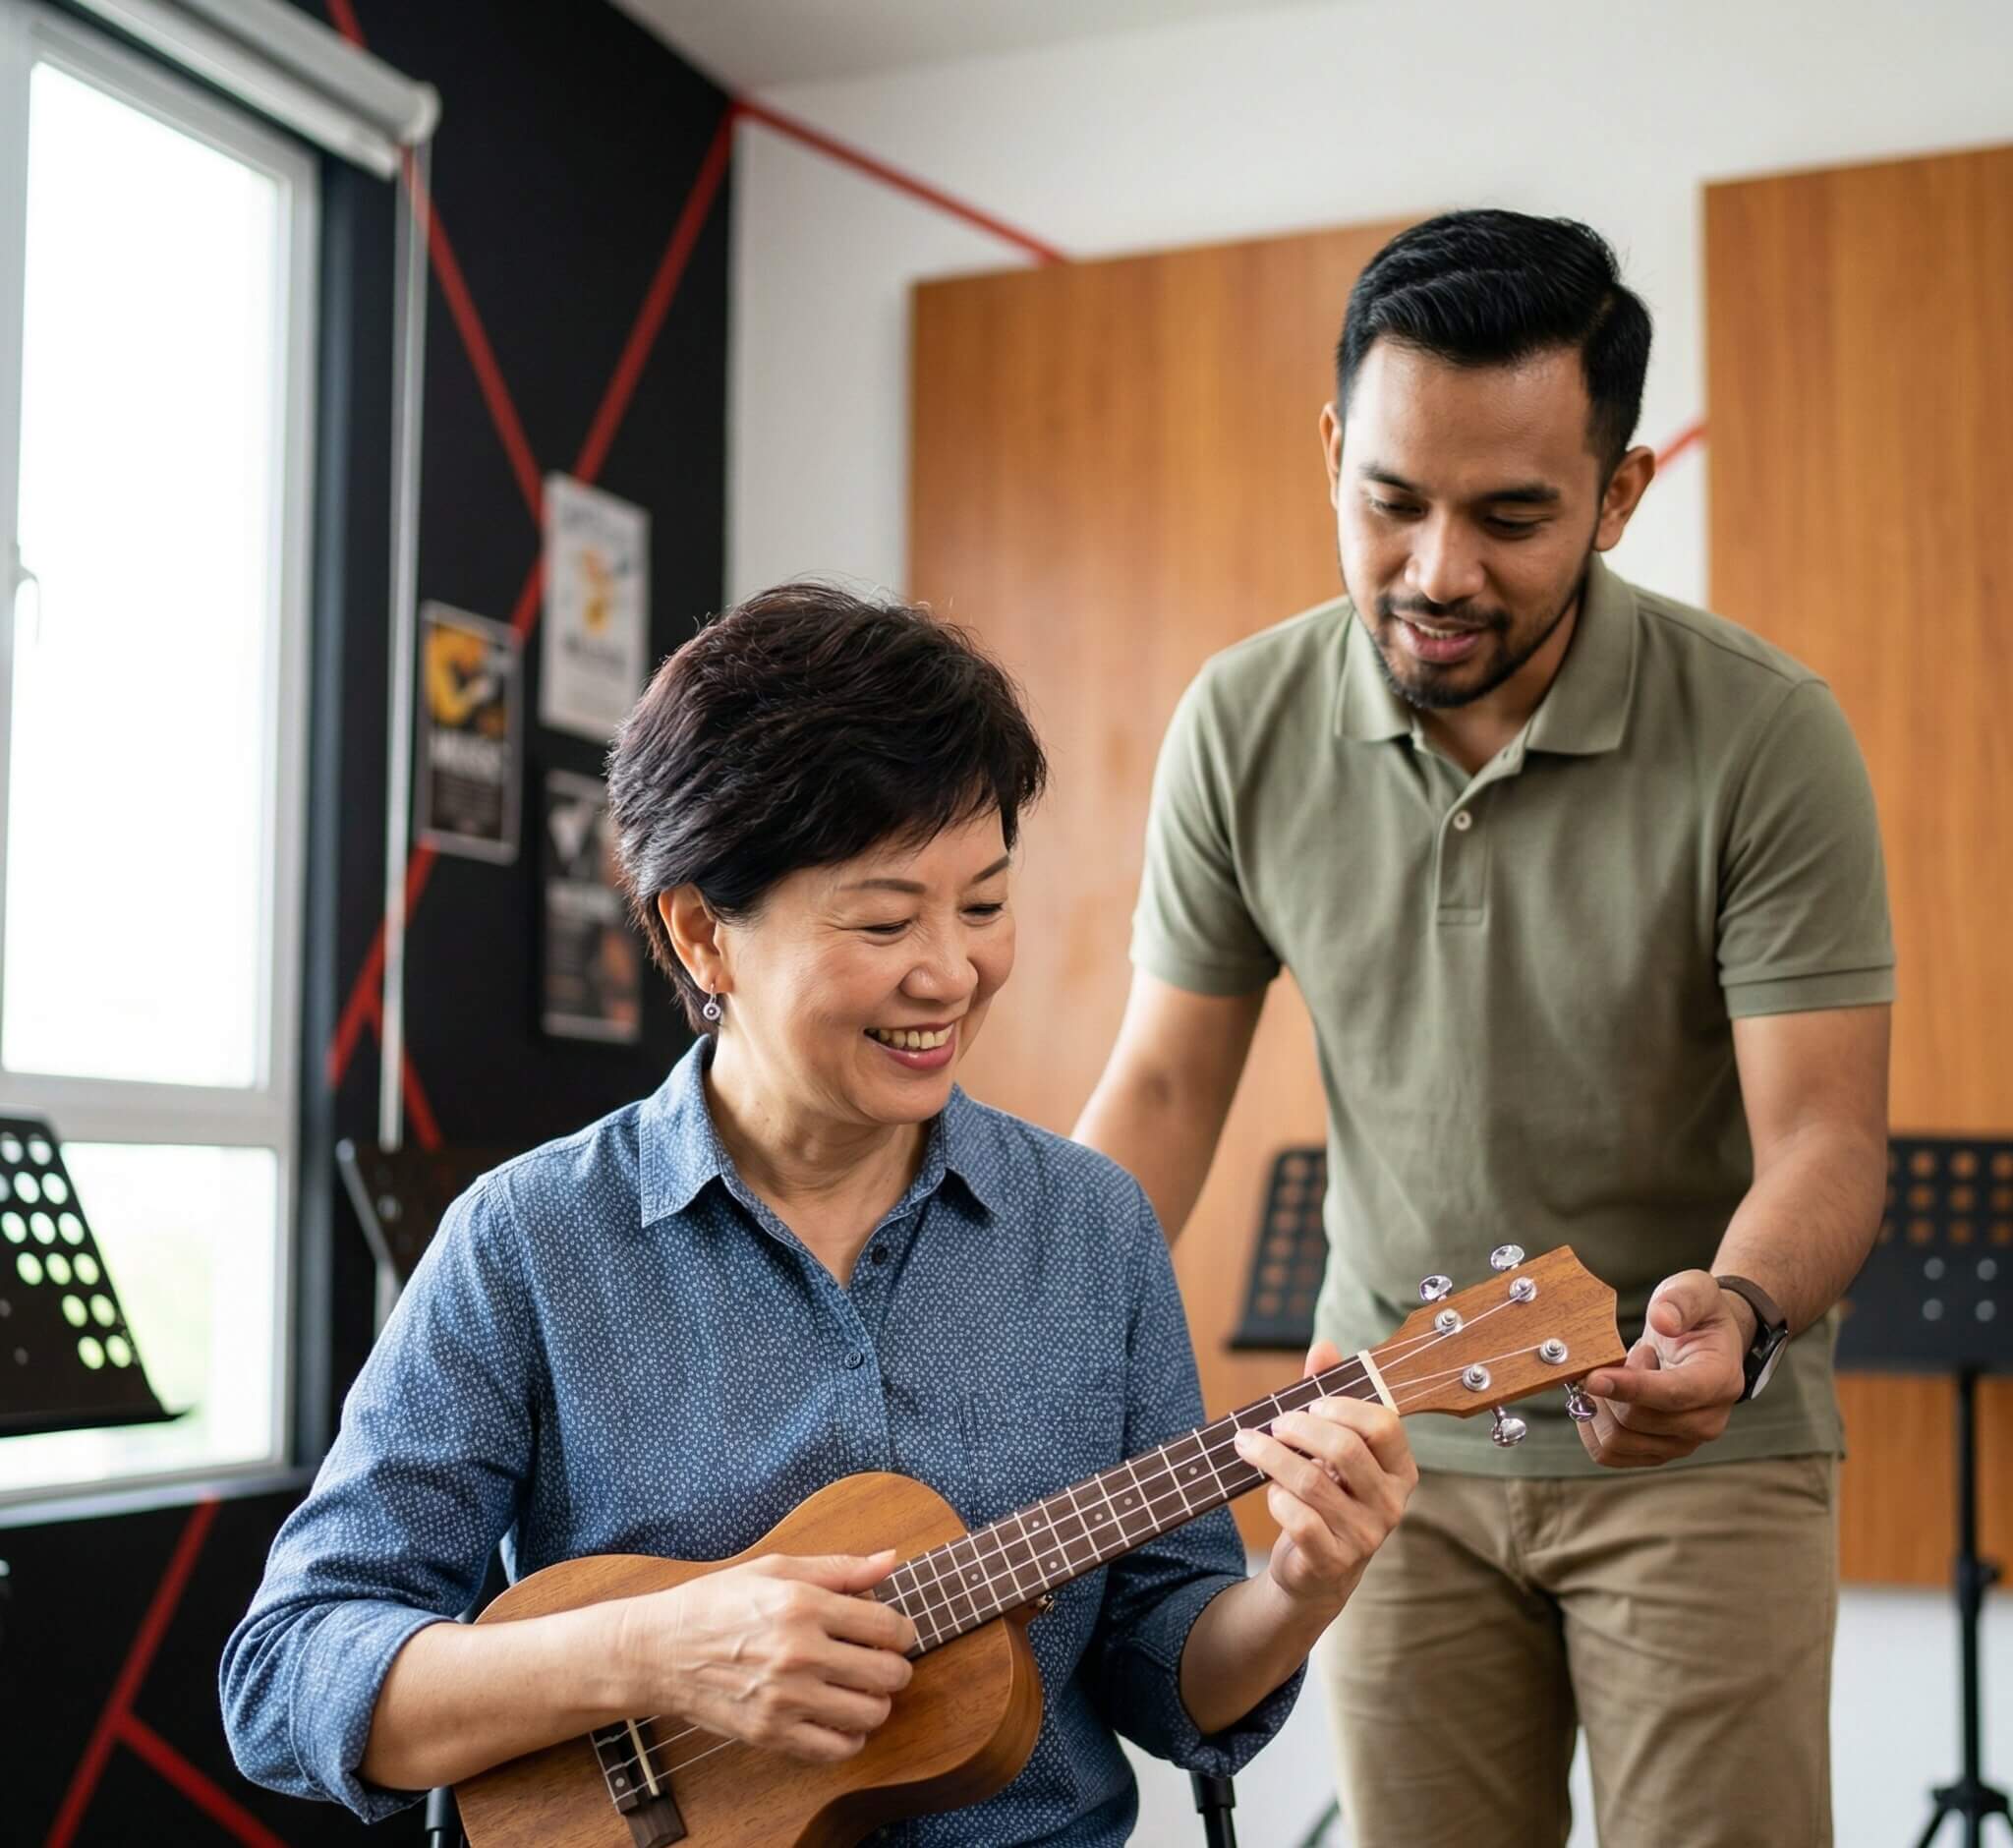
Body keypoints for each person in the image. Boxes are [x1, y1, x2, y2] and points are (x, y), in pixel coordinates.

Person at [220, 583, 1416, 1845]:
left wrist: (1296, 1584)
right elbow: (290, 1675)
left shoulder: (1092, 1229)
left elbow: (1163, 1668)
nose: (950, 972)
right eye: (884, 917)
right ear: (701, 935)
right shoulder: (527, 1242)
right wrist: (655, 1650)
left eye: (984, 903)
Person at [1074, 210, 1891, 1848]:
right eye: (1388, 500)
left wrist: (1731, 1311)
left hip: (1695, 1458)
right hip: (1390, 1450)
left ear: (1618, 492)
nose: (1436, 570)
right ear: (1329, 453)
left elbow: (1820, 1132)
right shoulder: (1240, 720)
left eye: (1511, 515)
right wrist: (993, 1344)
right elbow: (1161, 1089)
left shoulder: (1763, 735)